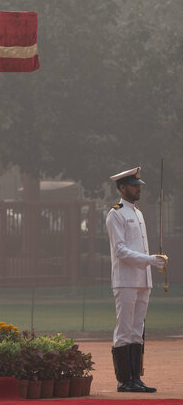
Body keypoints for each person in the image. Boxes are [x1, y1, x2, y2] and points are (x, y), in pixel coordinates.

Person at [105, 166, 168, 393]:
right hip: (125, 280)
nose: (137, 189)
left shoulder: (138, 213)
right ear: (122, 187)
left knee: (137, 329)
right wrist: (150, 260)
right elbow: (120, 250)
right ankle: (124, 380)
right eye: (133, 186)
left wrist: (152, 262)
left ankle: (135, 377)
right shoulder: (116, 213)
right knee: (124, 329)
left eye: (138, 186)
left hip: (142, 280)